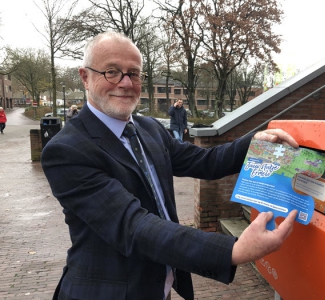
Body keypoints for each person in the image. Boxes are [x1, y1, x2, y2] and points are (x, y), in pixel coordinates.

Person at [41, 31, 299, 300]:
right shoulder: (67, 151)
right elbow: (134, 226)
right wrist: (231, 251)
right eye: (112, 72)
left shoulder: (148, 128)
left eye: (135, 73)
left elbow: (204, 162)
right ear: (85, 77)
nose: (126, 83)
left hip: (157, 288)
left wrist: (254, 143)